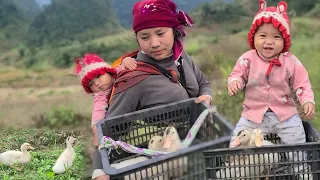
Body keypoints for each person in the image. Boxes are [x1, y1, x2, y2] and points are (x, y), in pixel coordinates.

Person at [91, 0, 213, 179]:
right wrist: (99, 171)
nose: (155, 43)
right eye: (145, 37)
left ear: (173, 30)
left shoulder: (181, 57)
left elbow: (204, 83)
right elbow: (108, 131)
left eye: (160, 33)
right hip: (164, 158)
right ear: (137, 38)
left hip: (198, 145)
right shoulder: (133, 78)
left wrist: (206, 96)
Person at [228, 0, 315, 177]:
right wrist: (235, 81)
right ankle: (235, 171)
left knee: (297, 141)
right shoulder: (248, 59)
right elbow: (237, 74)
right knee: (238, 141)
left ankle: (301, 171)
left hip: (285, 115)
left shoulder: (290, 61)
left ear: (285, 40)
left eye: (276, 37)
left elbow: (302, 84)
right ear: (254, 38)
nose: (269, 42)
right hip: (253, 115)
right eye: (263, 36)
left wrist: (307, 100)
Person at [74, 54, 136, 147]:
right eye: (91, 84)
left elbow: (125, 65)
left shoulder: (119, 71)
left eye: (98, 76)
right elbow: (97, 114)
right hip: (126, 124)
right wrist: (96, 132)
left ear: (107, 71)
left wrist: (126, 60)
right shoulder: (101, 95)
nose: (97, 84)